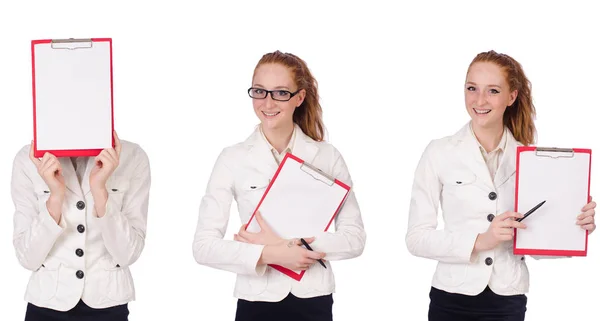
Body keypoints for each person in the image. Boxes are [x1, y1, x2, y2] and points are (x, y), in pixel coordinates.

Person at [405, 50, 596, 321]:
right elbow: (416, 238)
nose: (479, 100)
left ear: (512, 96)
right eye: (472, 88)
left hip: (508, 298)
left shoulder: (530, 161)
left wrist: (575, 227)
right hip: (451, 297)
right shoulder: (439, 152)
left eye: (493, 91)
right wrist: (482, 240)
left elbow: (536, 241)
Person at [192, 50, 366, 321]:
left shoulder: (327, 157)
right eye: (260, 91)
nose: (268, 102)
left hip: (313, 300)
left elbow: (355, 239)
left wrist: (292, 246)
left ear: (299, 97)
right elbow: (203, 247)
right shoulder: (232, 159)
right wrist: (269, 254)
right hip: (256, 300)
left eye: (280, 93)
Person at [11, 131, 151, 320]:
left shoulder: (132, 156)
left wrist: (100, 191)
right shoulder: (29, 159)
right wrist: (55, 198)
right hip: (46, 303)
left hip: (108, 302)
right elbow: (27, 258)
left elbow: (128, 254)